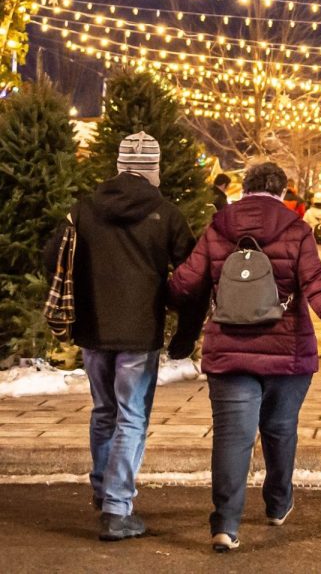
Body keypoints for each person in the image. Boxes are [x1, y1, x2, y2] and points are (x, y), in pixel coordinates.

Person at [169, 161, 321, 553]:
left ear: (245, 188)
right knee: (280, 428)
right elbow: (317, 282)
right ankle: (277, 503)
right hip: (287, 351)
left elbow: (186, 282)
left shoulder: (218, 225)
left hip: (228, 349)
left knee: (232, 438)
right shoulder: (295, 229)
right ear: (283, 192)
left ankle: (225, 524)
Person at [44, 131, 201, 542]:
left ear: (117, 166)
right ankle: (117, 507)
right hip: (139, 331)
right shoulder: (166, 214)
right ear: (155, 169)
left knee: (103, 411)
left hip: (92, 328)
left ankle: (103, 490)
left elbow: (52, 258)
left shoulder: (83, 210)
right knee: (131, 415)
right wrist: (185, 331)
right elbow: (190, 278)